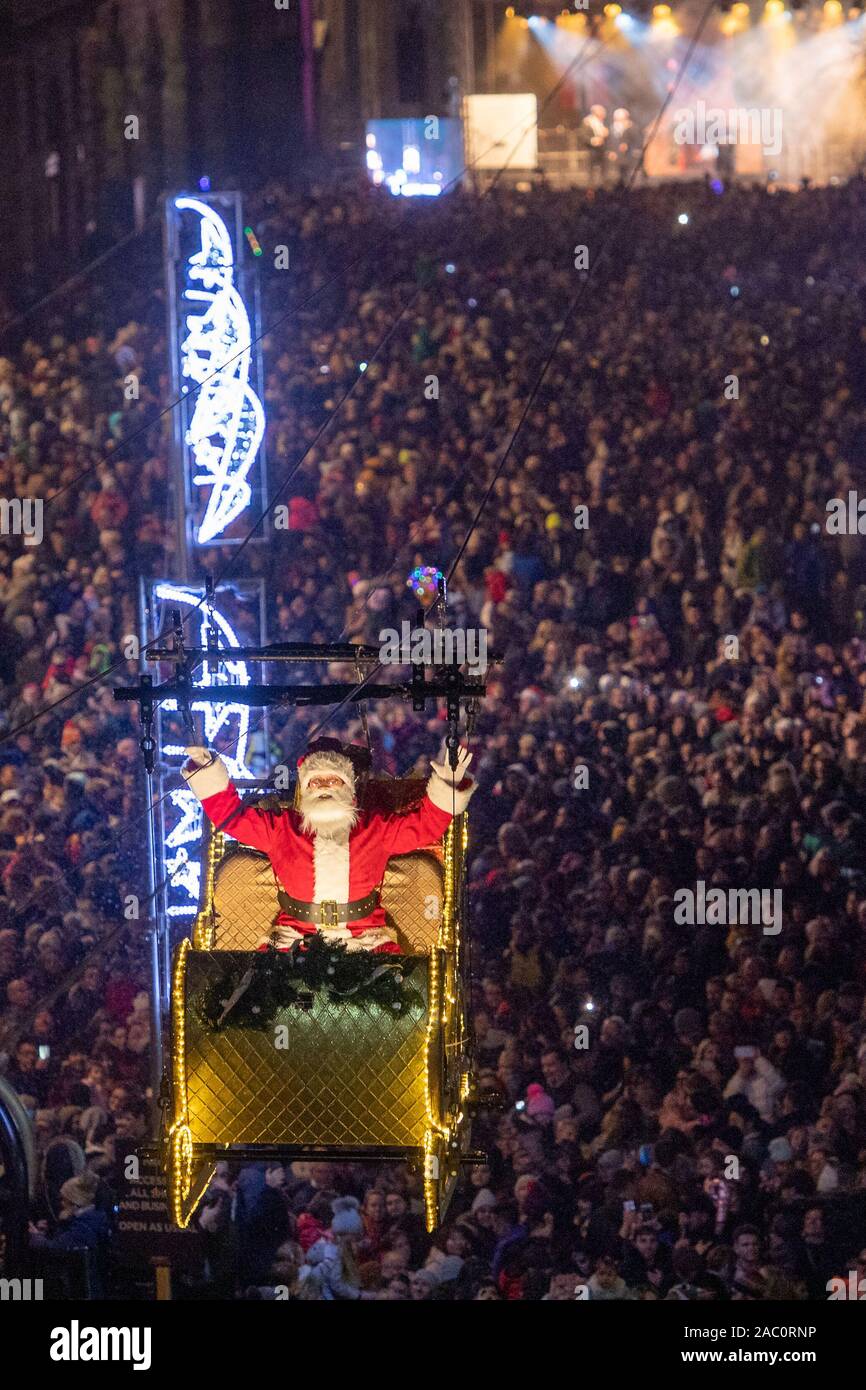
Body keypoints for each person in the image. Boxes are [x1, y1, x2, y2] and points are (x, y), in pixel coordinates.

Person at [182, 736, 475, 953]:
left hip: (365, 938)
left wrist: (447, 785)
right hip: (294, 936)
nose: (323, 787)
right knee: (259, 997)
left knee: (400, 999)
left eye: (331, 780)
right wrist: (206, 772)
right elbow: (233, 819)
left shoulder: (375, 829)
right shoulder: (283, 829)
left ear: (347, 788)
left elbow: (424, 827)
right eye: (315, 781)